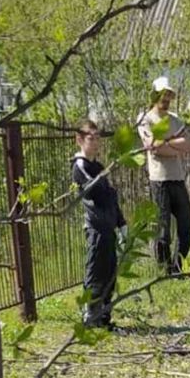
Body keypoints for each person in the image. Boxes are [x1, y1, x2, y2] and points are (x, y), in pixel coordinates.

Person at [72, 119, 126, 330]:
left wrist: (121, 224)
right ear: (79, 140)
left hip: (109, 228)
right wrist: (108, 188)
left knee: (109, 274)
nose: (95, 143)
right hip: (96, 229)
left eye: (98, 139)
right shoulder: (79, 166)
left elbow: (111, 198)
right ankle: (90, 317)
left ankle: (104, 318)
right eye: (91, 139)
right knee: (95, 273)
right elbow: (95, 192)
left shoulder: (100, 167)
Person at [138, 76, 190, 274]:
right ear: (154, 95)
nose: (166, 98)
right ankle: (163, 271)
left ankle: (177, 268)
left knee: (186, 226)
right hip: (159, 180)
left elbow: (189, 144)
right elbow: (153, 147)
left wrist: (167, 143)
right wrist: (175, 146)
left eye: (168, 95)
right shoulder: (145, 119)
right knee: (163, 231)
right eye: (162, 94)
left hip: (177, 178)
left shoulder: (175, 120)